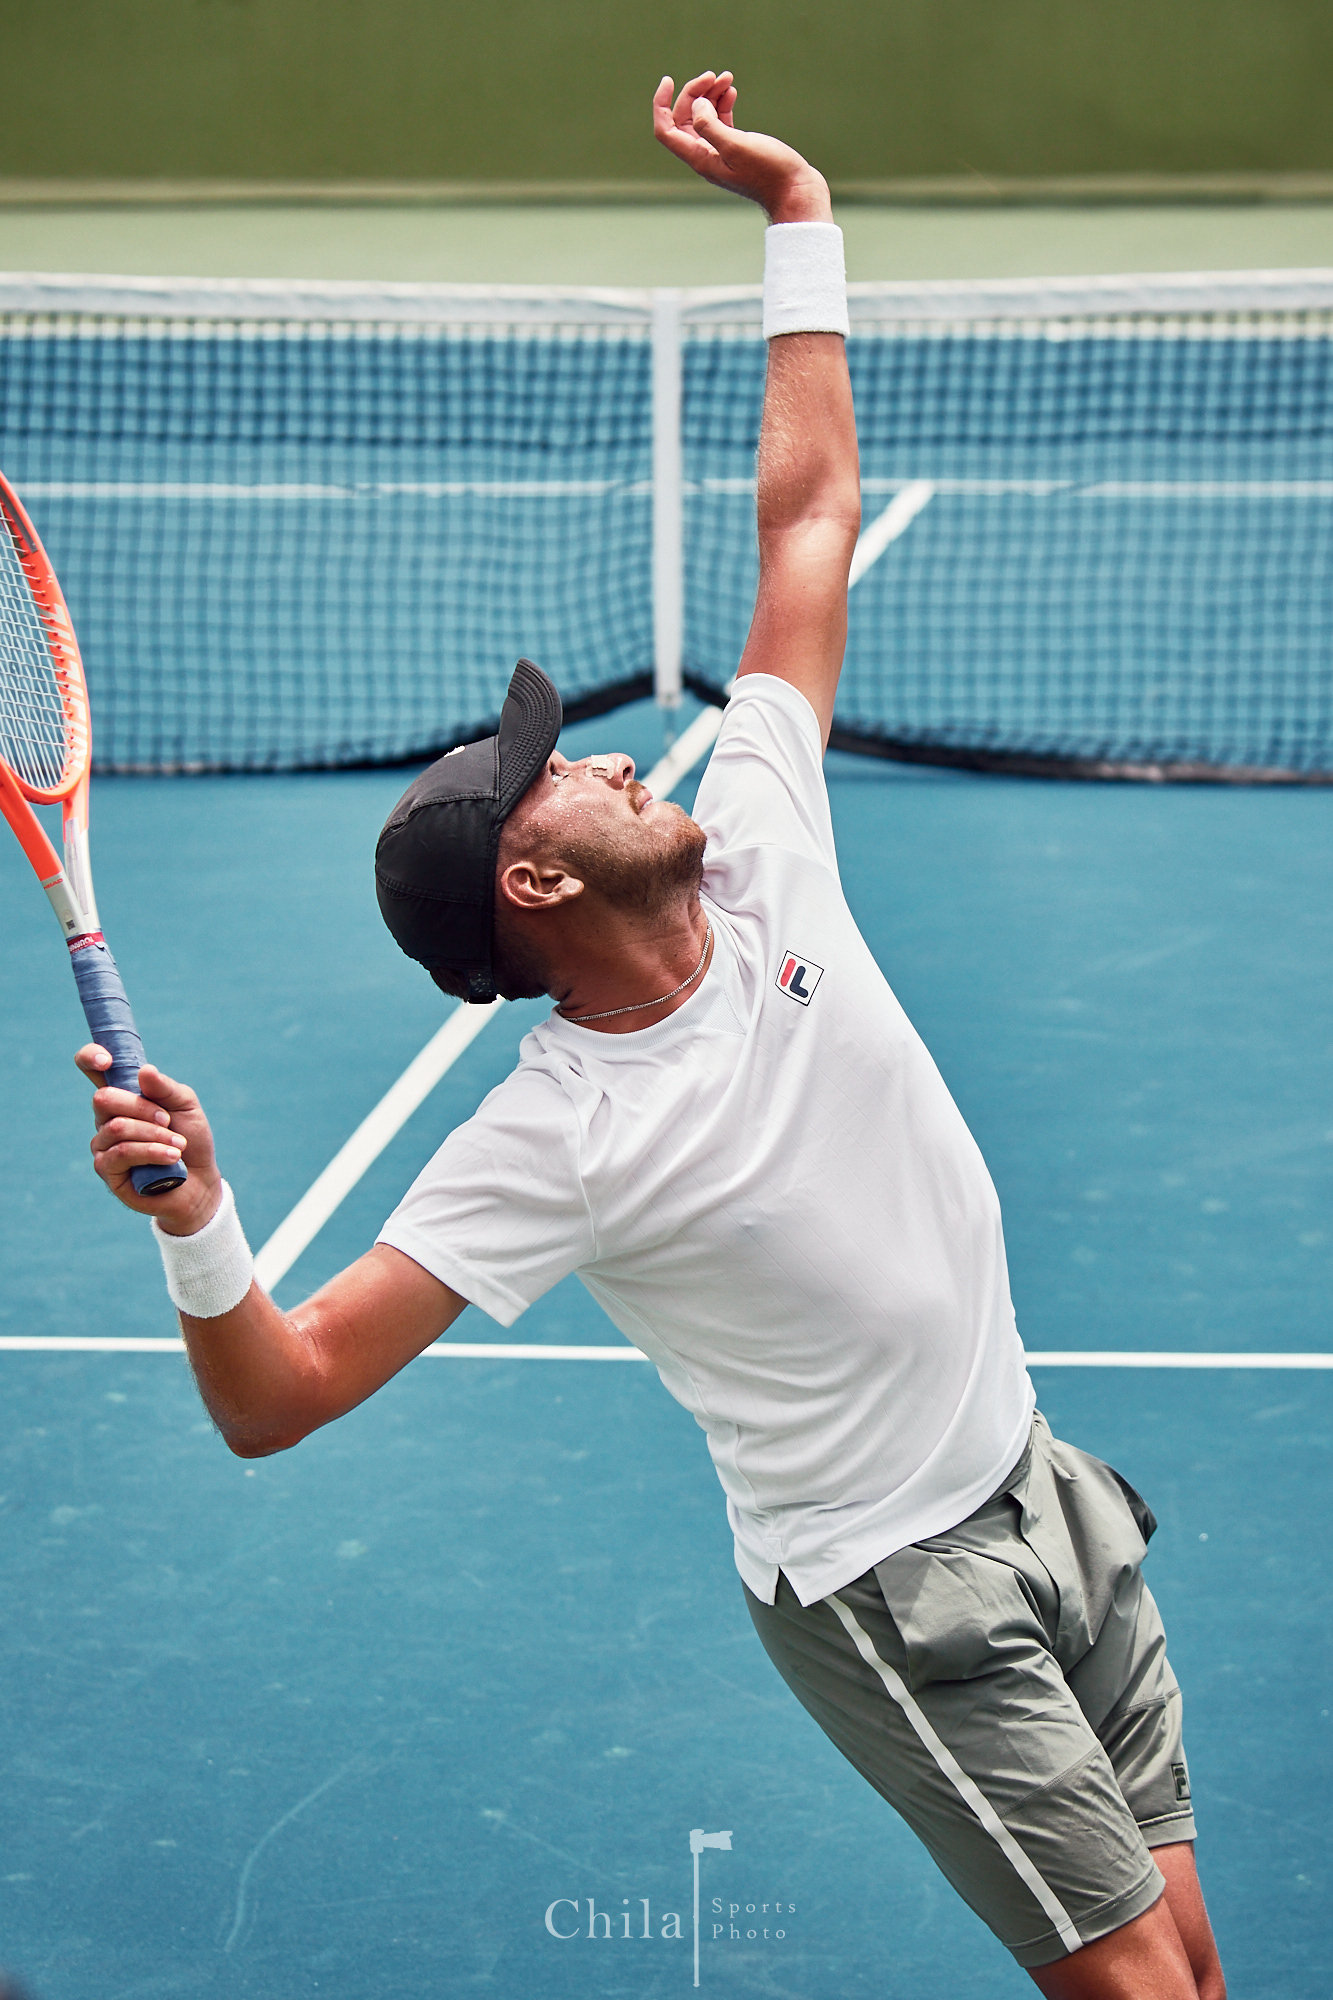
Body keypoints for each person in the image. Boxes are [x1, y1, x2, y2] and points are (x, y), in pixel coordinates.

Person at [77, 73, 1226, 2000]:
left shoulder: (762, 839)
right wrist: (200, 1220)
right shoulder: (557, 1134)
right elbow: (276, 1398)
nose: (611, 750)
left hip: (1038, 1486)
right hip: (893, 1584)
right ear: (532, 891)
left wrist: (799, 221)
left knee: (1195, 1958)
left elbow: (807, 520)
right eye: (558, 777)